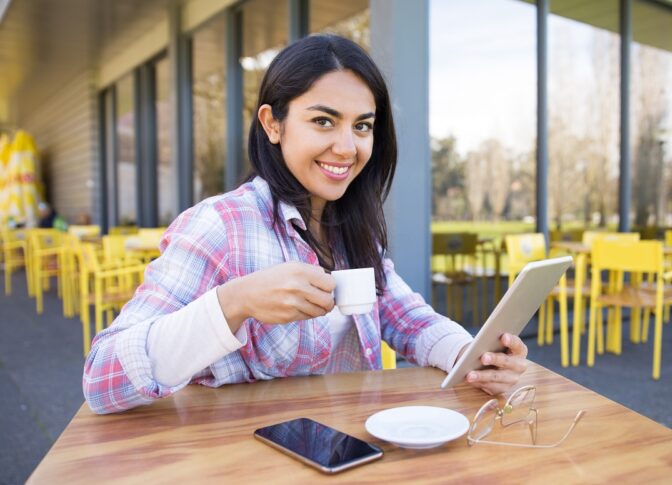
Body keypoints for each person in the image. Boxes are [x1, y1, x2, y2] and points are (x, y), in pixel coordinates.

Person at [83, 34, 529, 414]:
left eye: (362, 126)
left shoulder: (354, 229)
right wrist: (233, 303)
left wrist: (473, 358)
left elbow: (407, 319)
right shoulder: (222, 226)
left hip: (348, 451)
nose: (346, 146)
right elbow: (102, 379)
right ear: (272, 124)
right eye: (323, 121)